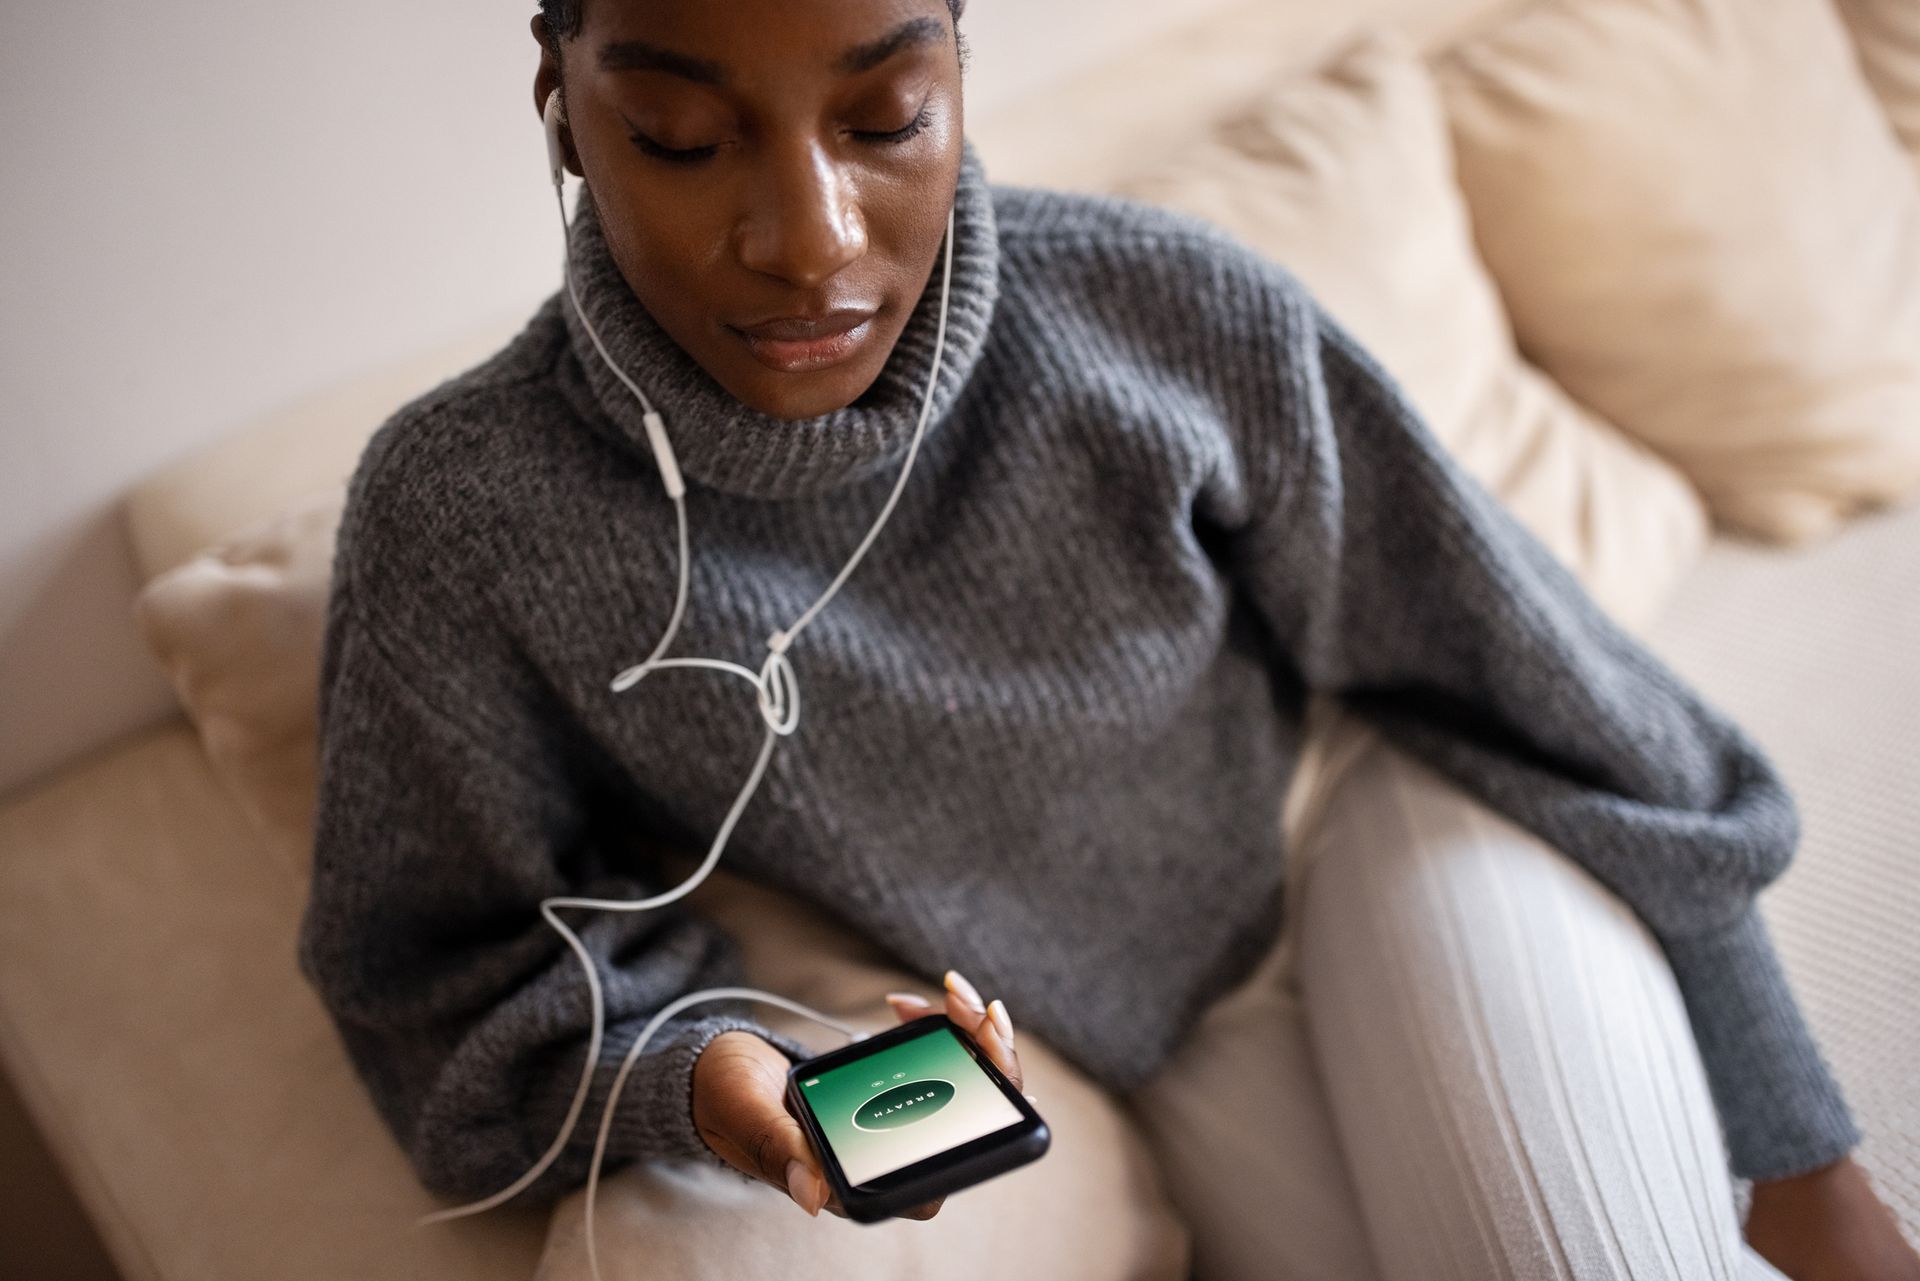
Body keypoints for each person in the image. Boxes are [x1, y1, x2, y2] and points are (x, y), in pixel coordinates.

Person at [294, 1, 1920, 1277]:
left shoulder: (1166, 313)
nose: (809, 236)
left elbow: (1554, 682)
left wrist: (1803, 1151)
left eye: (884, 118)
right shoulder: (463, 516)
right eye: (683, 137)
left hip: (1374, 821)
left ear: (957, 74)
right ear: (563, 106)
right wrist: (700, 1078)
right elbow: (442, 976)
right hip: (1130, 1044)